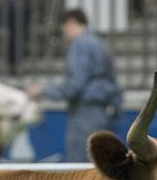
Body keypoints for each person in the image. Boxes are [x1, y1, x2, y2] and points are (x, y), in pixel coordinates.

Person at [26, 9, 122, 162]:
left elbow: (74, 86)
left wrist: (43, 90)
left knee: (79, 166)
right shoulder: (99, 43)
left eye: (64, 28)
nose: (64, 33)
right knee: (100, 164)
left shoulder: (80, 45)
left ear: (70, 23)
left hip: (84, 115)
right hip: (102, 112)